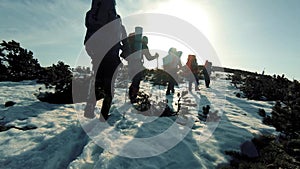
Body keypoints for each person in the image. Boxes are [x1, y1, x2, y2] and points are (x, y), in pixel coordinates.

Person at [83, 0, 129, 121]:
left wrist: (93, 54)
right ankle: (104, 116)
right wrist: (125, 54)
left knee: (96, 83)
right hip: (112, 58)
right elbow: (126, 43)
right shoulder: (118, 23)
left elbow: (88, 38)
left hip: (97, 56)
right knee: (109, 87)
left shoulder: (93, 17)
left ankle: (89, 108)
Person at [127, 28, 159, 103]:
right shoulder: (144, 46)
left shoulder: (133, 44)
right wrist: (155, 56)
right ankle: (133, 97)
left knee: (134, 80)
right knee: (136, 81)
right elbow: (149, 58)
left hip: (130, 63)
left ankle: (131, 95)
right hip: (138, 64)